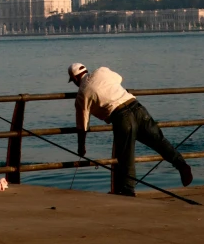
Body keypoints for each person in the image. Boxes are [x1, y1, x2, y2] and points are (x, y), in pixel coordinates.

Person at [68, 62, 193, 197]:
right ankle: (182, 165)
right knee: (159, 141)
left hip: (120, 116)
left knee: (126, 155)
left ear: (74, 79)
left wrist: (81, 146)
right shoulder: (102, 71)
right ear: (86, 70)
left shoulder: (82, 93)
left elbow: (83, 125)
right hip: (137, 107)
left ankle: (128, 190)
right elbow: (119, 79)